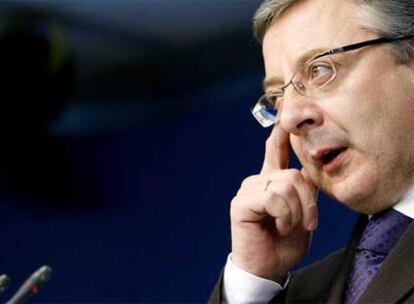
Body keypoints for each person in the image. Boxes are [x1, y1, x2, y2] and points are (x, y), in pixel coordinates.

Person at [209, 0, 414, 303]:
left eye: (319, 70)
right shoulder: (293, 295)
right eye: (277, 96)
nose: (290, 117)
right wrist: (252, 285)